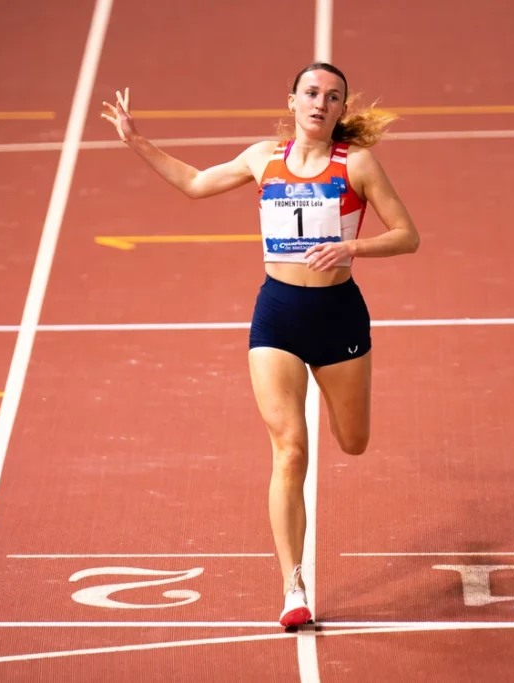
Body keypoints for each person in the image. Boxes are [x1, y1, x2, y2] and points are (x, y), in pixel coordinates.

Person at [101, 62, 420, 628]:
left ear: (342, 110)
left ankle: (335, 394)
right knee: (290, 449)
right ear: (293, 102)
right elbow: (196, 184)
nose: (321, 103)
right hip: (277, 317)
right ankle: (293, 586)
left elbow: (407, 235)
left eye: (333, 97)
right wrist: (137, 142)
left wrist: (354, 250)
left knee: (352, 443)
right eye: (312, 93)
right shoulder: (261, 159)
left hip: (339, 318)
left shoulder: (358, 165)